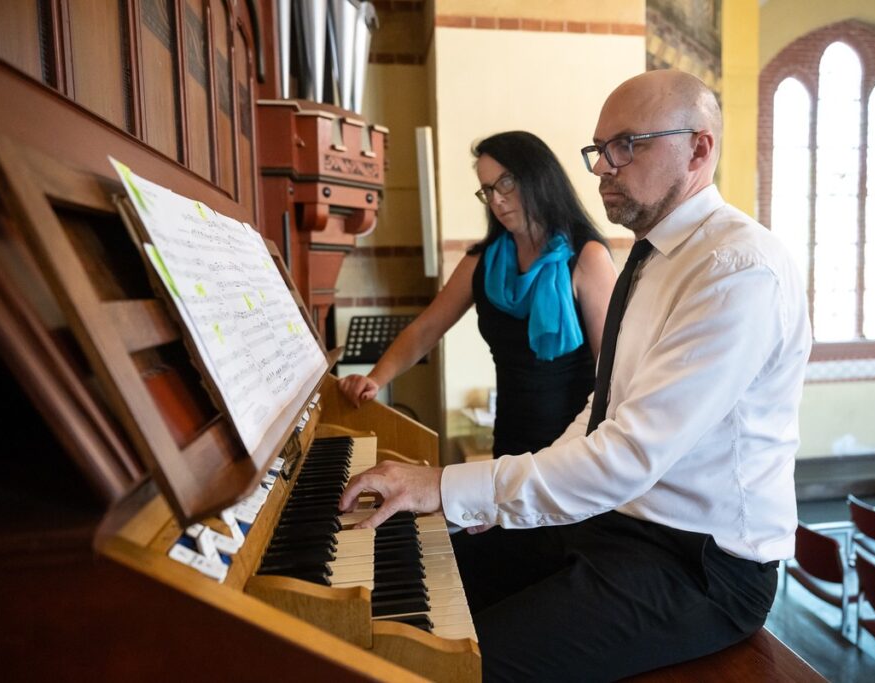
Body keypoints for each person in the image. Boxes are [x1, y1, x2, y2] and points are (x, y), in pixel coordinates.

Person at [339, 69, 812, 681]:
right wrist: (479, 501)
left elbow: (628, 455)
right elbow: (603, 407)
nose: (603, 168)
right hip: (619, 521)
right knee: (434, 579)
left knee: (468, 666)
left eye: (627, 146)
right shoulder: (651, 254)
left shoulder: (737, 270)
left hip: (702, 564)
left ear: (699, 147)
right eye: (599, 150)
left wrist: (447, 485)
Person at [338, 130, 616, 457]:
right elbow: (425, 330)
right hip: (510, 443)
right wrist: (375, 379)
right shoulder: (482, 262)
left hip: (574, 449)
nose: (496, 199)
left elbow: (611, 372)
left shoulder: (587, 258)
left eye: (505, 183)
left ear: (537, 177)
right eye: (487, 189)